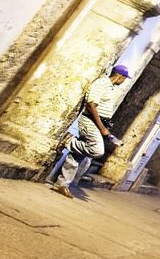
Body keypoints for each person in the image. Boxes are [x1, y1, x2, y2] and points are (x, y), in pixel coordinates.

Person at [50, 63, 128, 197]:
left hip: (97, 123)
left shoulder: (109, 87)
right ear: (120, 76)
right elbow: (91, 105)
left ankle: (61, 184)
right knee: (97, 151)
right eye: (125, 78)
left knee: (76, 156)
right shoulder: (102, 84)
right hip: (90, 121)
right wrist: (102, 128)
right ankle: (69, 141)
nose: (124, 81)